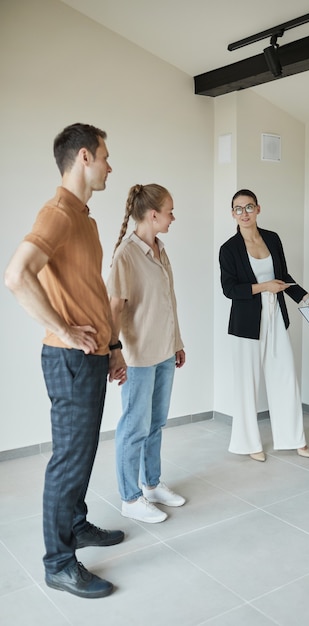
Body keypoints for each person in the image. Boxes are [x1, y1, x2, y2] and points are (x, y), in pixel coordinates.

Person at [4, 123, 128, 599]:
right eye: (104, 156)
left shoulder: (87, 219)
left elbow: (92, 290)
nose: (109, 165)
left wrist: (112, 346)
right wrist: (63, 326)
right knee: (68, 462)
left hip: (93, 356)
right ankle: (58, 563)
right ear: (83, 158)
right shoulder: (58, 212)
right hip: (69, 358)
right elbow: (17, 275)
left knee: (81, 456)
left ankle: (75, 525)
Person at [219, 189, 309, 462]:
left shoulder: (272, 238)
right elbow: (229, 289)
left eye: (249, 207)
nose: (244, 213)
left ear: (258, 209)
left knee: (286, 375)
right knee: (247, 383)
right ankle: (249, 443)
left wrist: (308, 298)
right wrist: (264, 287)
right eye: (238, 208)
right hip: (245, 324)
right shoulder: (228, 249)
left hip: (275, 315)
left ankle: (294, 439)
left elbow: (284, 276)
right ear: (232, 213)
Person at [107, 183, 186, 524]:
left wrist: (178, 342)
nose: (173, 216)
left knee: (156, 422)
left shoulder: (160, 249)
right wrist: (114, 351)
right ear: (153, 215)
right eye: (169, 211)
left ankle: (151, 483)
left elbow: (168, 301)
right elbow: (114, 308)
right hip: (138, 357)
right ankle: (130, 497)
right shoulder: (126, 255)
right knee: (133, 427)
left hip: (165, 351)